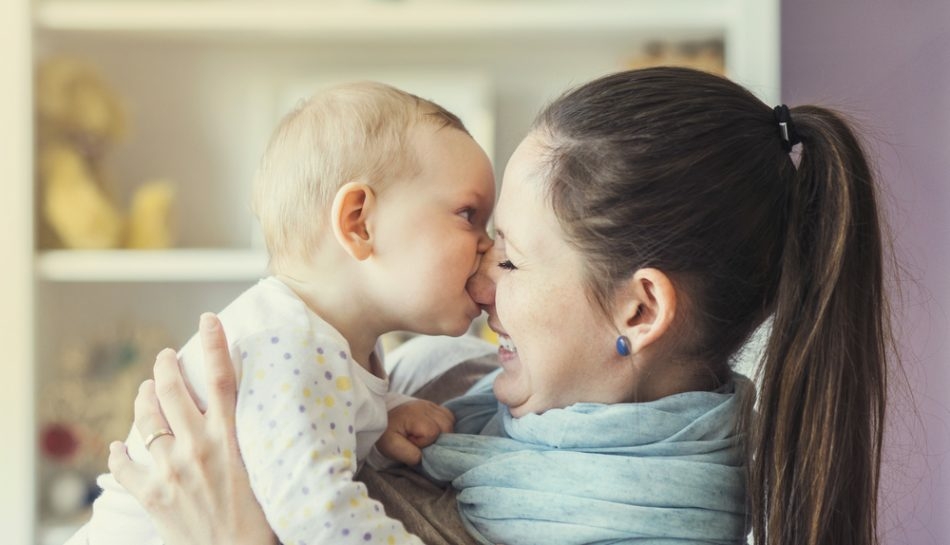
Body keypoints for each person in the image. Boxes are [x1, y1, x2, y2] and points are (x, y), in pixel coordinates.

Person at [106, 67, 892, 545]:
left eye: (508, 255)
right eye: (479, 235)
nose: (481, 284)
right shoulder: (437, 380)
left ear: (639, 310)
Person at [66, 81, 495, 545]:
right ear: (359, 222)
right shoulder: (289, 346)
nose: (489, 245)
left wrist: (380, 414)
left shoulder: (319, 343)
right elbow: (320, 519)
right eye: (468, 214)